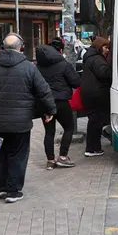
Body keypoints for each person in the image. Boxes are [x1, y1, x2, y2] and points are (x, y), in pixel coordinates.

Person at [0, 33, 55, 203]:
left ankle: (2, 186)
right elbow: (43, 91)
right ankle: (13, 190)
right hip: (20, 123)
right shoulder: (29, 68)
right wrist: (50, 110)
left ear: (2, 47)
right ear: (20, 48)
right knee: (18, 155)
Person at [36, 37, 81, 170]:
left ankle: (50, 161)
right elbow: (76, 82)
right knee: (69, 128)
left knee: (49, 132)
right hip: (61, 102)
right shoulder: (64, 64)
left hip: (45, 103)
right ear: (60, 51)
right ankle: (63, 157)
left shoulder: (38, 66)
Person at [80, 36, 112, 157]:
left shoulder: (90, 57)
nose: (107, 50)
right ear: (99, 47)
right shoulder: (97, 59)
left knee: (94, 121)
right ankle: (92, 149)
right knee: (95, 122)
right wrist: (112, 67)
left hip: (90, 94)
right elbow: (104, 73)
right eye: (106, 47)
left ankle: (94, 147)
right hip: (96, 94)